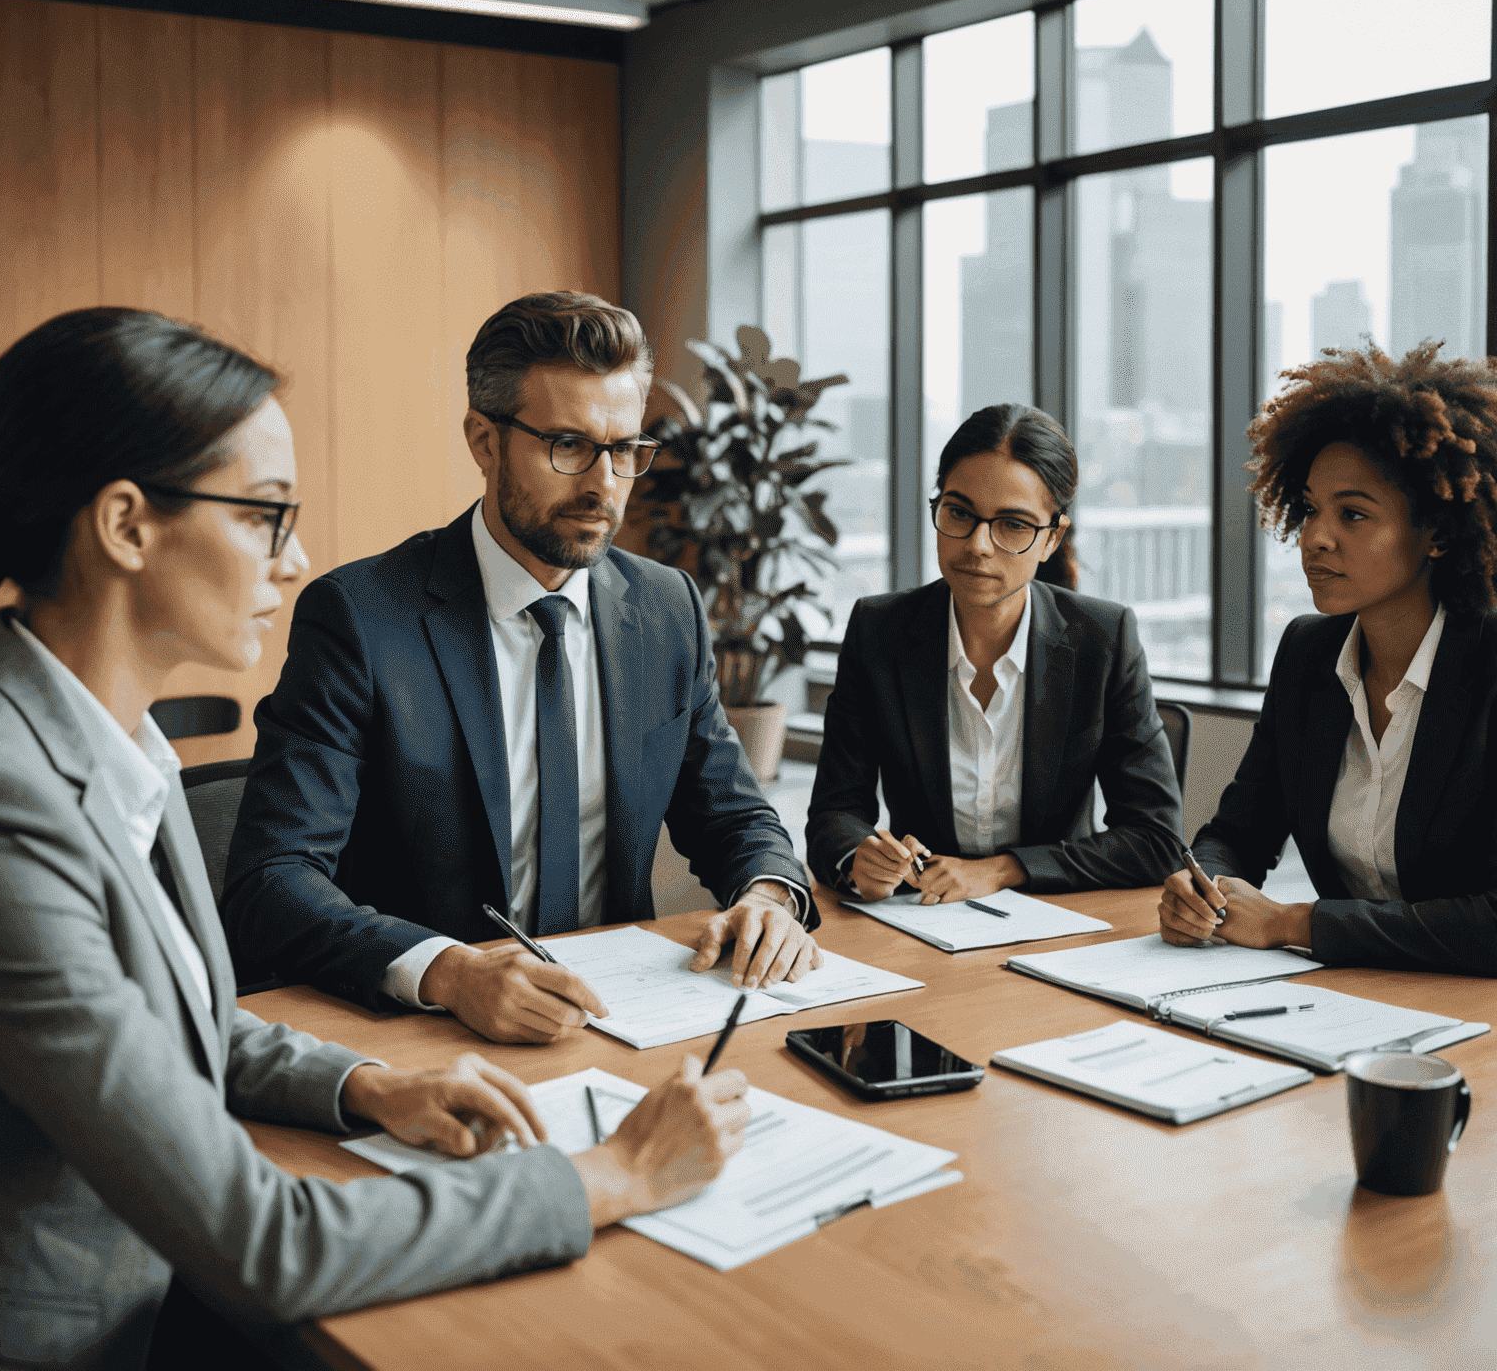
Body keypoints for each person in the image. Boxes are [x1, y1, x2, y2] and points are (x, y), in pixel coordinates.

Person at [0, 307, 752, 1371]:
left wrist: (365, 1084)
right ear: (127, 525)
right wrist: (611, 1179)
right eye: (264, 518)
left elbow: (174, 1022)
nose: (296, 563)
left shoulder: (119, 750)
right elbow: (261, 1242)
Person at [223, 291, 821, 1041]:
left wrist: (768, 897)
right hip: (429, 1033)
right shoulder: (360, 618)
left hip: (624, 1023)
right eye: (568, 446)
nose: (604, 485)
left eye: (626, 450)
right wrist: (449, 972)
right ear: (484, 441)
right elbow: (270, 883)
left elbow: (734, 815)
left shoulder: (667, 609)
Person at [1159, 342, 1497, 975]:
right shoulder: (1308, 653)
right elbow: (1238, 831)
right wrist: (1203, 885)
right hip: (1337, 1001)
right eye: (1311, 509)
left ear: (1440, 533)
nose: (1316, 536)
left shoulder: (1488, 667)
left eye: (1354, 514)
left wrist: (1295, 922)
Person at [806, 402, 1185, 903]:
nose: (979, 545)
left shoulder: (1103, 638)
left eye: (1013, 525)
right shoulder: (880, 631)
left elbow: (1156, 840)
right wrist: (859, 858)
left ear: (1052, 538)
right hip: (921, 916)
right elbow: (834, 813)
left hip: (1059, 918)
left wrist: (1004, 871)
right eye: (959, 512)